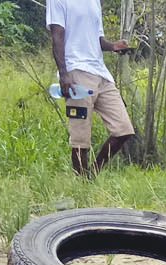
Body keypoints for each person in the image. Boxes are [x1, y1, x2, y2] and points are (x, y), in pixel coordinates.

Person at [47, 0, 136, 176]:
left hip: (101, 73)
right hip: (76, 73)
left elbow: (97, 39)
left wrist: (112, 46)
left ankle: (93, 174)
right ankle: (82, 185)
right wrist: (64, 74)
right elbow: (57, 36)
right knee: (80, 139)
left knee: (123, 129)